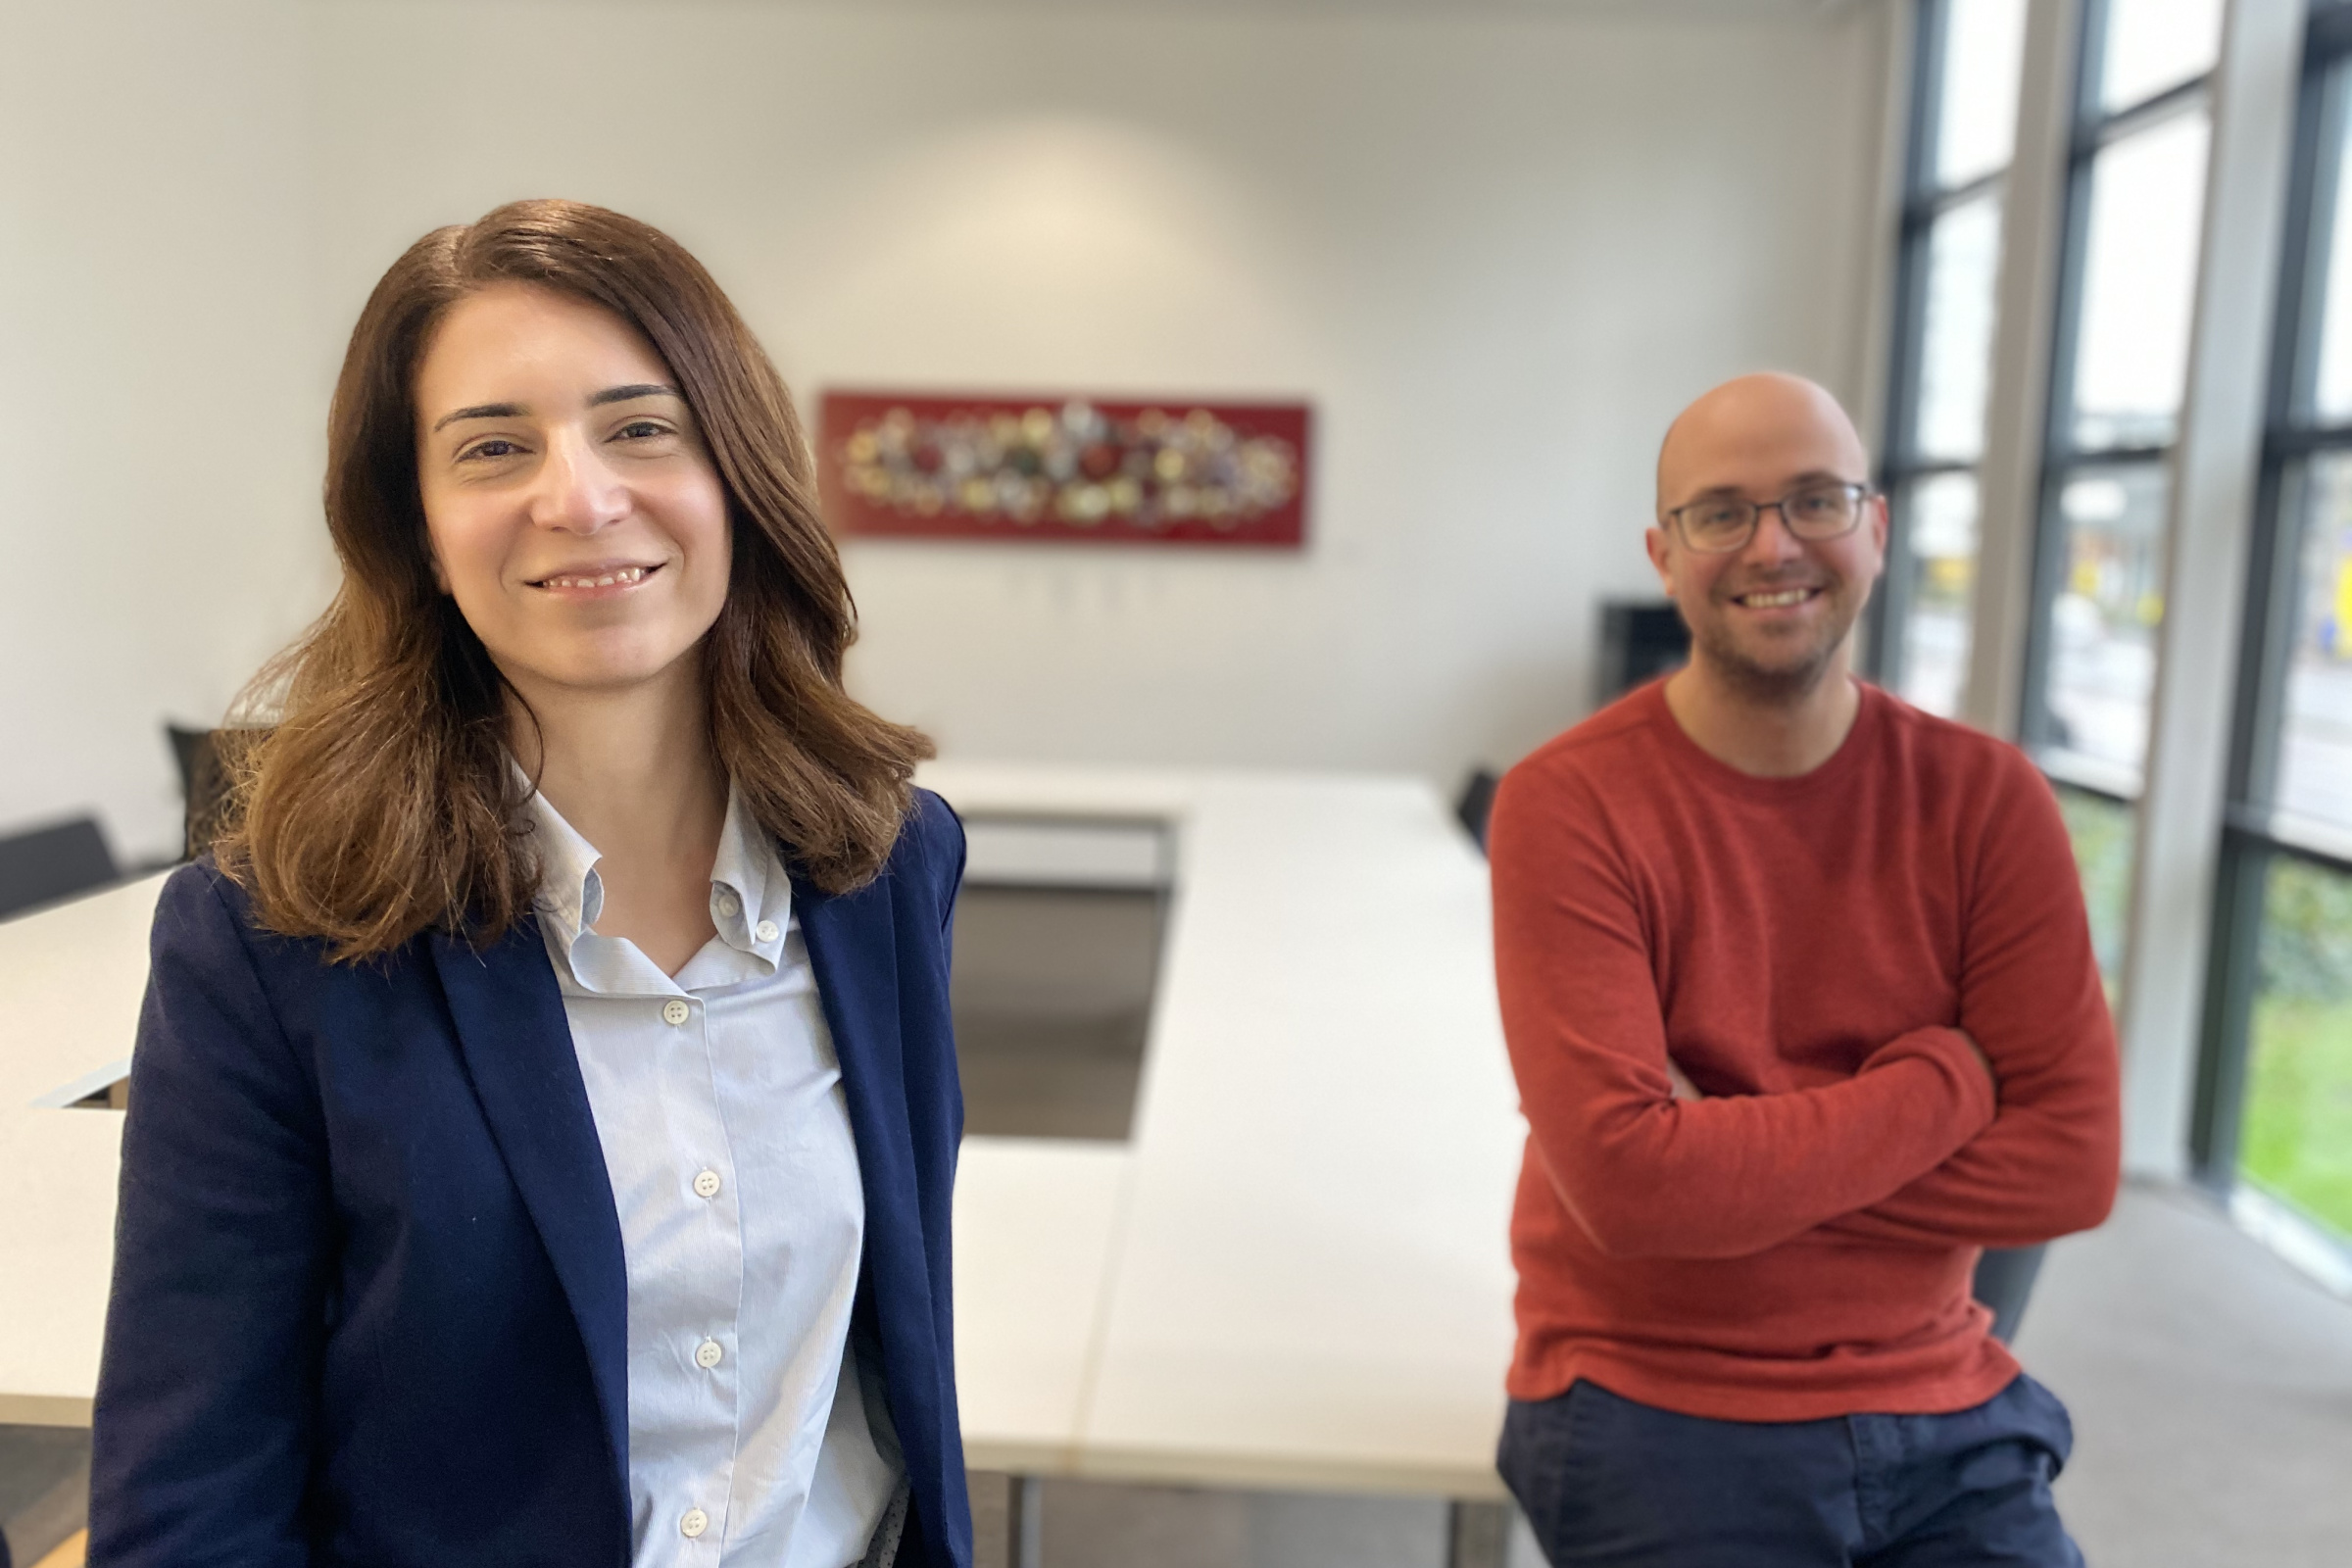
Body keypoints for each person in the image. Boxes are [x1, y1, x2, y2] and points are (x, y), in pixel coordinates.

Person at [89, 201, 970, 1568]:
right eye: (494, 447)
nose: (580, 496)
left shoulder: (890, 865)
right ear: (419, 528)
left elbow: (890, 1352)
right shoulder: (266, 945)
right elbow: (192, 1493)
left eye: (640, 427)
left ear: (735, 469)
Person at [1487, 373, 2121, 1566]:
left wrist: (1723, 1161)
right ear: (1664, 557)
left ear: (1876, 529)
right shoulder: (1568, 805)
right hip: (1658, 1406)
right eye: (1721, 512)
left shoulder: (1989, 802)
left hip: (1945, 1402)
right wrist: (1945, 1082)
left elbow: (2072, 1169)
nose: (1773, 543)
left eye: (1815, 500)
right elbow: (1631, 1192)